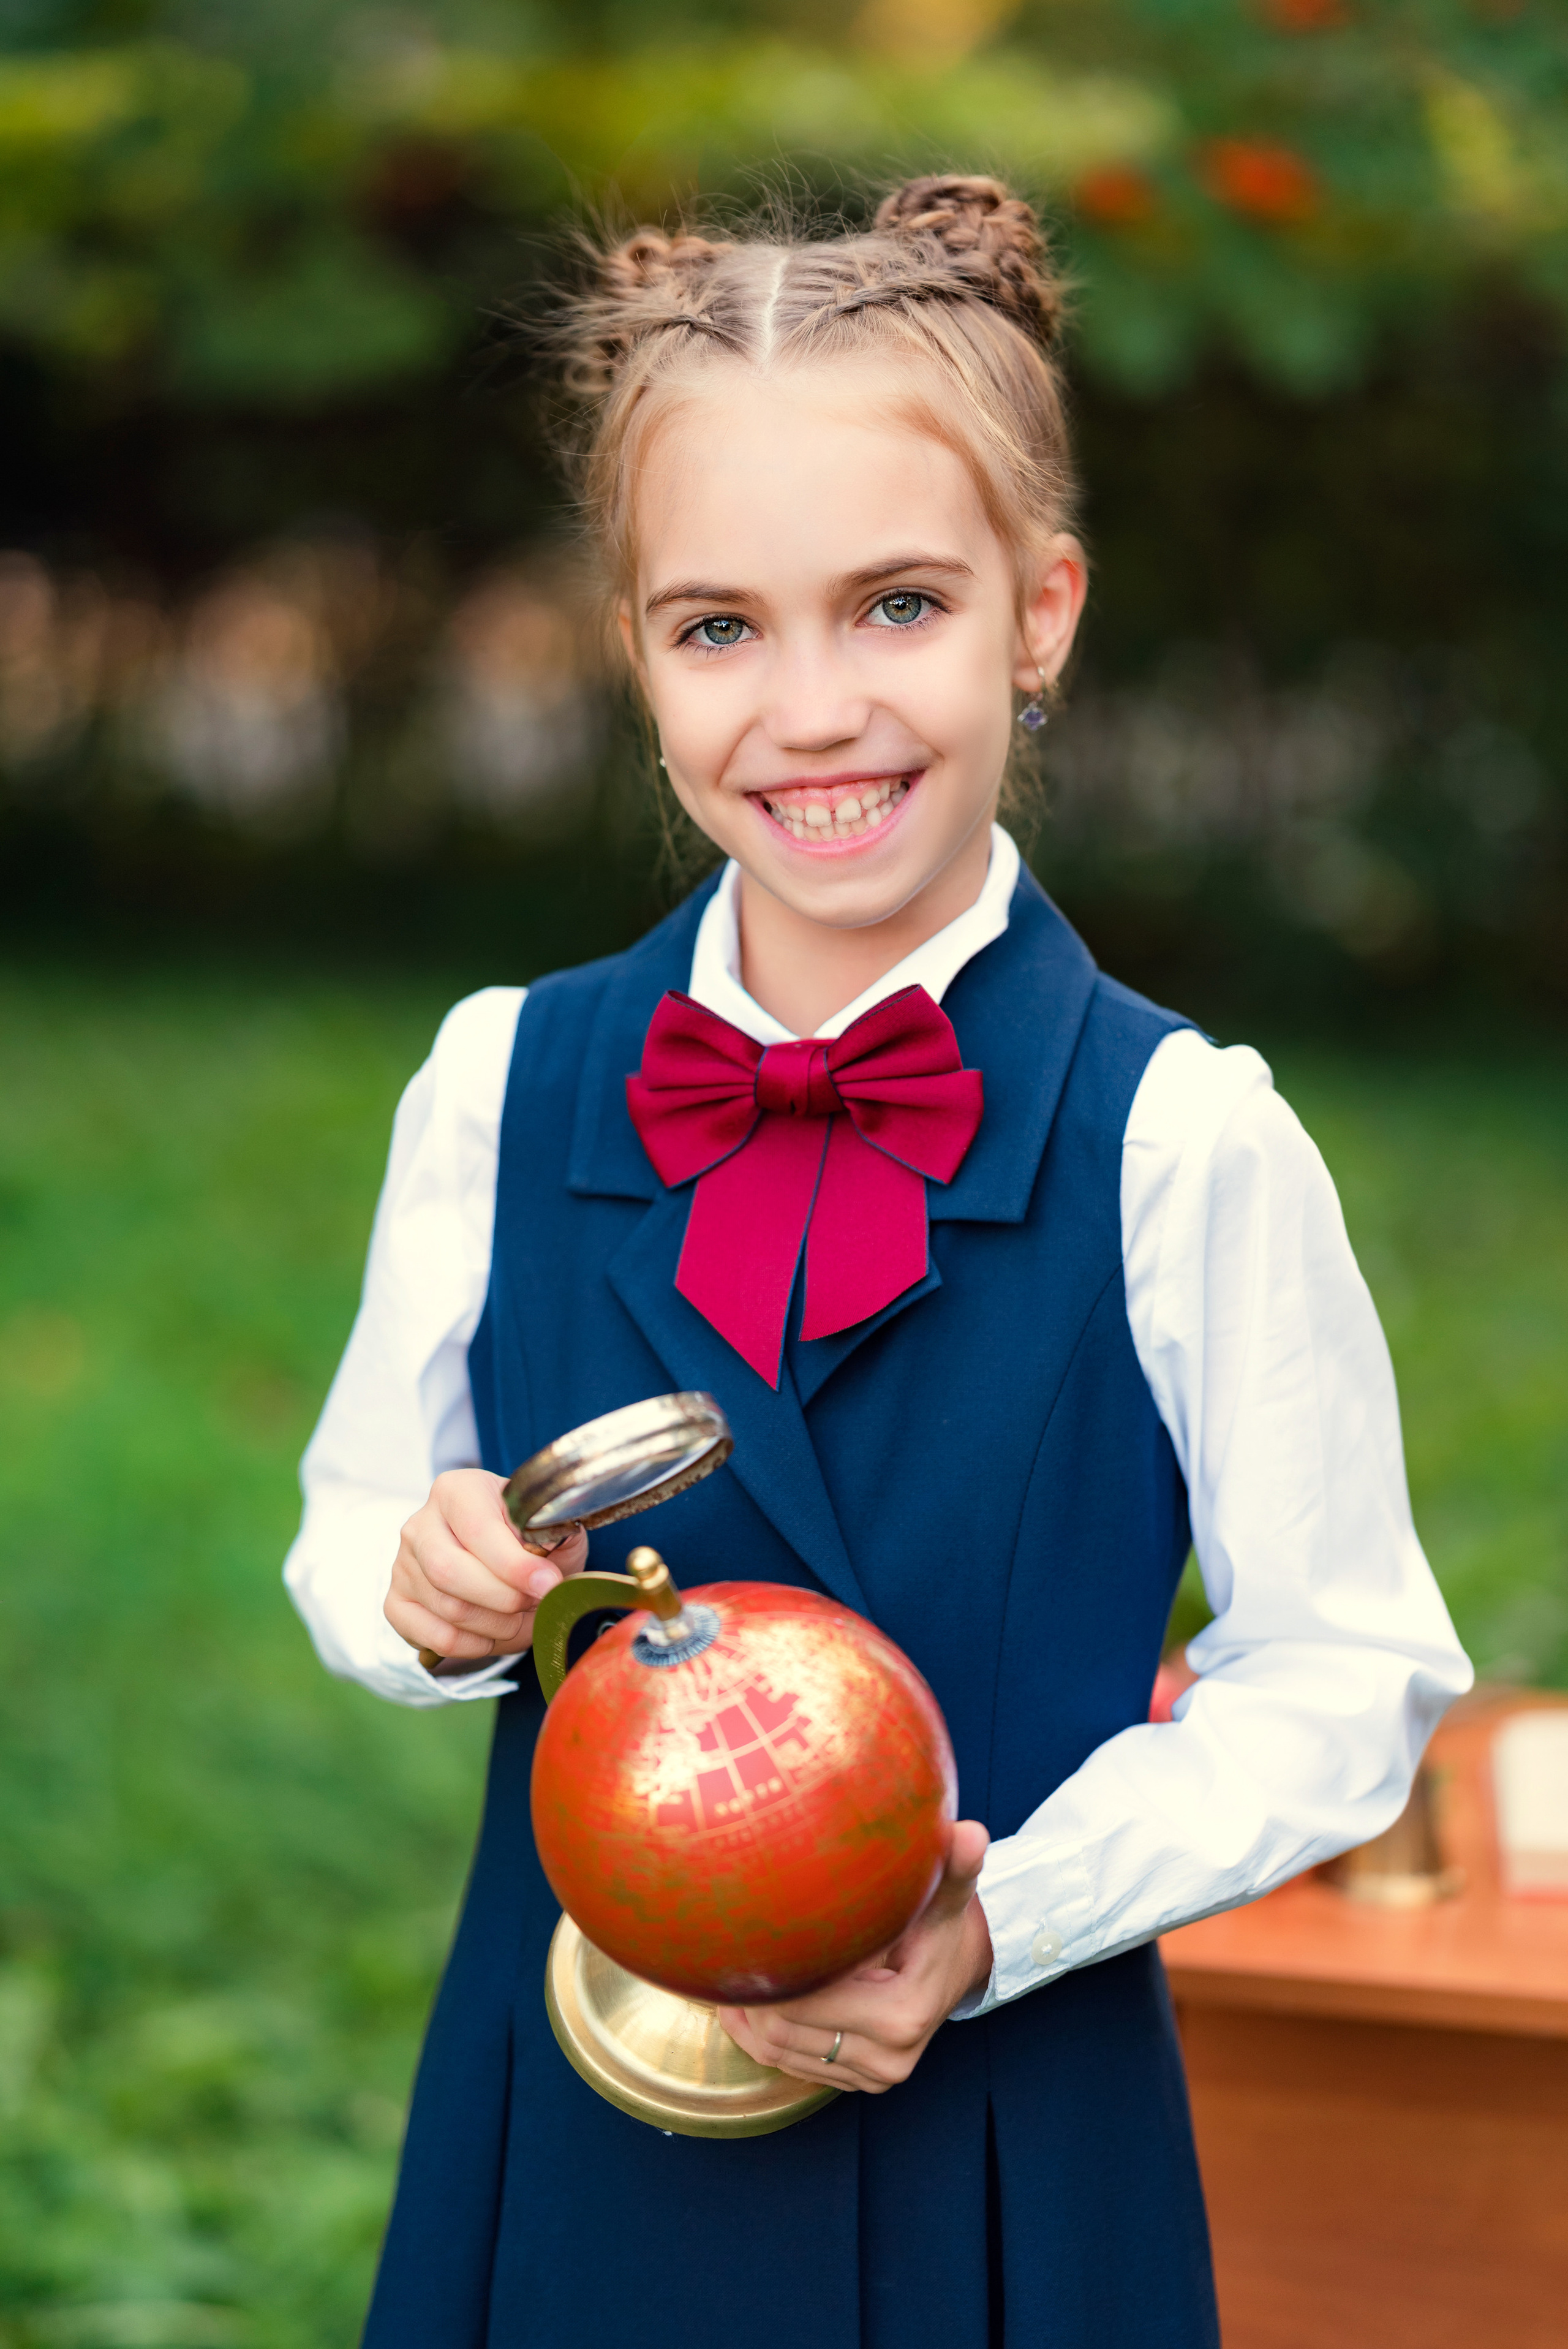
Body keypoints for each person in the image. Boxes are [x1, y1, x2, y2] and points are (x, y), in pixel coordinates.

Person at [284, 175, 1472, 2349]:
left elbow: (1345, 1671)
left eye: (898, 605)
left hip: (1005, 2134)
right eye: (719, 627)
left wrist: (1003, 1916)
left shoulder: (1186, 1137)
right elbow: (355, 1524)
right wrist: (426, 1586)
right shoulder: (498, 1083)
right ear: (636, 653)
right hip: (579, 2120)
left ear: (1043, 613)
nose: (813, 708)